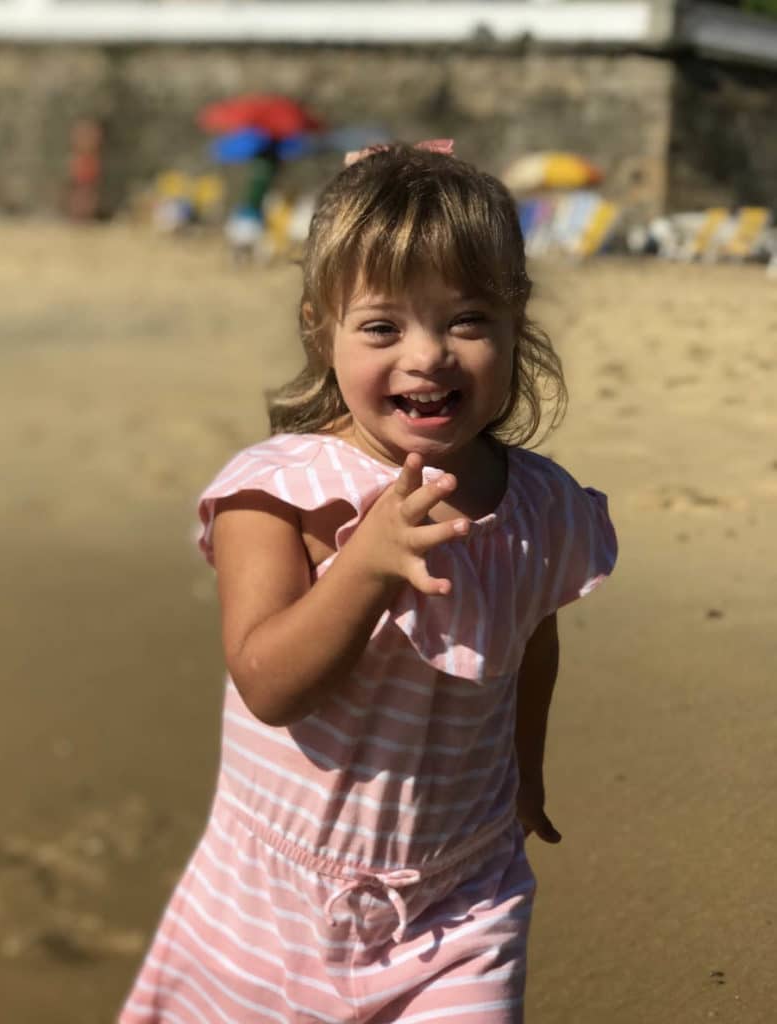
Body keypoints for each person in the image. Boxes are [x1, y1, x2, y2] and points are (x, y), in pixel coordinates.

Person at [120, 141, 618, 1023]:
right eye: (382, 328)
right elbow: (269, 683)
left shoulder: (542, 506)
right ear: (323, 328)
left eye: (466, 320)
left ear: (516, 322)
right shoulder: (275, 493)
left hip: (462, 898)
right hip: (269, 904)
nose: (426, 357)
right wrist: (367, 563)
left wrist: (524, 774)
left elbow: (531, 638)